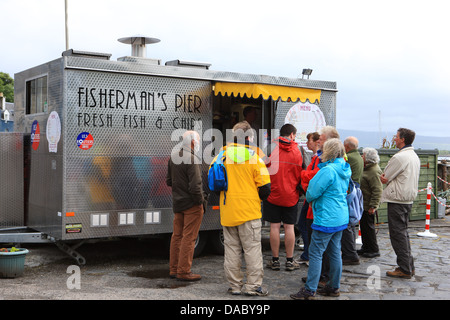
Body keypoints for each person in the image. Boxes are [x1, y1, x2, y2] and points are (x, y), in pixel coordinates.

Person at [213, 121, 271, 296]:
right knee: (252, 250)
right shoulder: (254, 158)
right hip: (249, 212)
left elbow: (213, 184)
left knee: (231, 250)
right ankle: (253, 287)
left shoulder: (221, 156)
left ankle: (235, 286)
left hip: (228, 212)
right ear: (247, 138)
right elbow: (266, 188)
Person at [290, 138, 351, 300]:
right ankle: (333, 286)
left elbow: (311, 193)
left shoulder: (327, 171)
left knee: (316, 254)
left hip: (326, 217)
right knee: (334, 252)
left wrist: (312, 198)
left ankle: (309, 290)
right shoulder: (345, 167)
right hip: (340, 216)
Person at [166, 131, 207, 281]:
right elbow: (196, 186)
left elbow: (169, 181)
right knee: (189, 238)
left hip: (178, 203)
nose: (198, 144)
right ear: (193, 143)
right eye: (198, 141)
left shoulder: (173, 156)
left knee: (177, 236)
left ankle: (174, 269)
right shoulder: (192, 158)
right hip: (192, 205)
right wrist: (200, 202)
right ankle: (184, 272)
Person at [380, 128, 420, 279]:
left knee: (398, 235)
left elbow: (385, 177)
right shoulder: (414, 156)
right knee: (403, 233)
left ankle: (405, 268)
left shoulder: (400, 157)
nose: (394, 139)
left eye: (396, 137)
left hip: (397, 198)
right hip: (407, 198)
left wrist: (385, 179)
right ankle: (409, 265)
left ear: (402, 139)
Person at [264, 124, 303, 271]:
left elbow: (262, 169)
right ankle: (289, 260)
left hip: (272, 194)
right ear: (292, 135)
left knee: (274, 226)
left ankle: (275, 260)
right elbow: (302, 172)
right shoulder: (298, 150)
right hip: (291, 195)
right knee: (289, 227)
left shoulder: (270, 148)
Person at [296, 131, 320, 264]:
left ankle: (308, 253)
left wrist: (304, 175)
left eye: (309, 140)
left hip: (310, 196)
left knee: (304, 224)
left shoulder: (318, 158)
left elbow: (309, 175)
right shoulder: (315, 157)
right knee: (303, 224)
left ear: (316, 142)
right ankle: (307, 252)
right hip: (309, 195)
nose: (307, 143)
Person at [342, 136, 364, 265]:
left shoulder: (349, 158)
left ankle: (350, 253)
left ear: (347, 147)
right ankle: (350, 252)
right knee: (351, 223)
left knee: (347, 224)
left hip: (350, 192)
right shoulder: (359, 157)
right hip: (356, 191)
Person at [359, 147, 383, 258]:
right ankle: (366, 247)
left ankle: (373, 249)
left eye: (363, 155)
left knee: (369, 227)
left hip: (368, 204)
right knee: (364, 227)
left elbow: (377, 189)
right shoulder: (368, 169)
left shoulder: (373, 171)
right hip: (364, 203)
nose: (361, 157)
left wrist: (373, 206)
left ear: (367, 158)